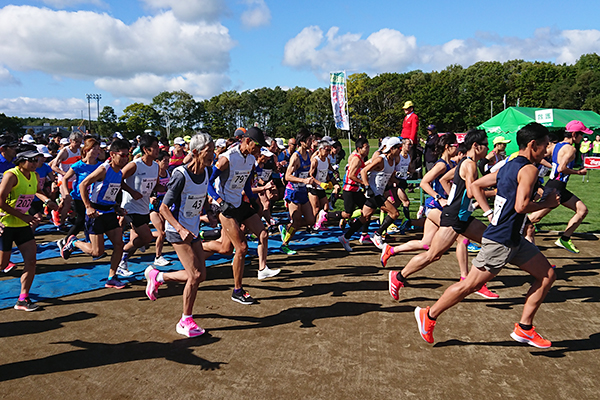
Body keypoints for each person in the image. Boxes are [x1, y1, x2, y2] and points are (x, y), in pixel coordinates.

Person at [414, 122, 559, 348]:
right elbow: (521, 207)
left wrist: (498, 201)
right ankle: (429, 315)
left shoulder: (509, 166)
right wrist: (546, 203)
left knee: (547, 275)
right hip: (501, 239)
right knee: (468, 286)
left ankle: (525, 328)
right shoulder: (528, 169)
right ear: (532, 145)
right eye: (545, 145)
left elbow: (476, 187)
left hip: (513, 239)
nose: (548, 149)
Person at [388, 129, 498, 300]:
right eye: (486, 145)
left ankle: (477, 282)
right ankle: (398, 277)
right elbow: (471, 191)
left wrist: (453, 198)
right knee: (433, 254)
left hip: (462, 216)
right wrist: (489, 208)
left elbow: (445, 180)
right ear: (476, 146)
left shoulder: (464, 162)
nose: (488, 148)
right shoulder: (468, 164)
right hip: (454, 218)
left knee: (492, 241)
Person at [144, 133, 215, 337]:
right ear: (195, 153)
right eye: (208, 151)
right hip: (177, 231)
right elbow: (164, 208)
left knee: (201, 274)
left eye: (212, 151)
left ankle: (158, 276)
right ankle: (185, 320)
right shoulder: (180, 175)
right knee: (195, 275)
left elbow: (201, 199)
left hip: (192, 229)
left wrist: (208, 212)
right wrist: (181, 229)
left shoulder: (207, 172)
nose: (212, 155)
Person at [207, 127, 280, 304]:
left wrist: (255, 200)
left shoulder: (250, 160)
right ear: (247, 141)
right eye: (257, 146)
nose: (258, 151)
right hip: (224, 206)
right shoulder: (227, 158)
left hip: (239, 203)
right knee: (240, 248)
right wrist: (218, 200)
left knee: (260, 234)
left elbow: (246, 182)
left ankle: (262, 268)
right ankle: (237, 291)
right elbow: (208, 183)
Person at [59, 139, 131, 289]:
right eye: (122, 155)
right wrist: (88, 207)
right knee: (97, 252)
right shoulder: (104, 169)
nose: (126, 159)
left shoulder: (119, 172)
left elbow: (110, 193)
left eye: (127, 155)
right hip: (96, 213)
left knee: (119, 244)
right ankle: (74, 242)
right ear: (112, 154)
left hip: (110, 211)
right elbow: (83, 184)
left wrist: (117, 207)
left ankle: (112, 277)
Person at [1, 146, 56, 311]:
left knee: (31, 260)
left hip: (22, 225)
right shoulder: (11, 175)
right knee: (3, 264)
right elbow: (1, 201)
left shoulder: (35, 175)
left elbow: (37, 192)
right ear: (21, 160)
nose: (35, 163)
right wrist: (23, 216)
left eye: (36, 159)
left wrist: (47, 201)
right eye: (31, 160)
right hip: (6, 224)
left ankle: (23, 298)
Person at [527, 120, 590, 253]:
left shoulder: (555, 146)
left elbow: (540, 157)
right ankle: (509, 234)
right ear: (574, 134)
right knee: (534, 218)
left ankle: (565, 238)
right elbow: (562, 168)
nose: (583, 138)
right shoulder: (571, 149)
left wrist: (551, 166)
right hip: (555, 188)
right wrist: (579, 172)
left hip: (559, 187)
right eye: (581, 134)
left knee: (582, 210)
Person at [338, 138, 401, 251]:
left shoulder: (393, 161)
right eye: (398, 148)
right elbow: (363, 171)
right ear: (391, 149)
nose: (400, 150)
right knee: (394, 213)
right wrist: (367, 186)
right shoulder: (381, 160)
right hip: (374, 193)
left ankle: (345, 237)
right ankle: (377, 234)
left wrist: (398, 181)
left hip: (379, 192)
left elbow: (388, 177)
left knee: (365, 217)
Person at [117, 134, 163, 276]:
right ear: (145, 149)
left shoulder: (155, 166)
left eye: (158, 147)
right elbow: (117, 179)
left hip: (144, 208)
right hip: (130, 207)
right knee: (146, 237)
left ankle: (121, 261)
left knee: (140, 241)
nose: (157, 150)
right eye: (154, 147)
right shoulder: (135, 165)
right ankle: (121, 257)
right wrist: (131, 191)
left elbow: (155, 186)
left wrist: (169, 188)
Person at [279, 129, 317, 254]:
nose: (311, 142)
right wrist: (303, 180)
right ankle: (285, 244)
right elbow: (287, 176)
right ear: (302, 142)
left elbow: (309, 171)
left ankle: (286, 228)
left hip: (303, 192)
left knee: (311, 220)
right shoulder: (296, 157)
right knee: (297, 221)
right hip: (293, 192)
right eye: (309, 140)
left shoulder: (309, 154)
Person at [58, 137, 101, 245]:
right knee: (81, 221)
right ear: (86, 150)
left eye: (98, 149)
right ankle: (65, 241)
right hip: (79, 197)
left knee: (91, 220)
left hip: (93, 197)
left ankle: (90, 242)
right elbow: (65, 178)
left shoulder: (100, 165)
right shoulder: (79, 165)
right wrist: (67, 193)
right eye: (94, 149)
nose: (97, 151)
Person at [50, 132, 83, 230]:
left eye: (80, 142)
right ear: (70, 141)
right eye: (76, 142)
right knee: (68, 201)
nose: (78, 144)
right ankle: (62, 223)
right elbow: (53, 166)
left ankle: (57, 213)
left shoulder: (80, 150)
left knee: (68, 202)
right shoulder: (65, 151)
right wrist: (64, 173)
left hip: (76, 180)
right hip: (64, 180)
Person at [149, 150, 171, 267]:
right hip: (154, 206)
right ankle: (158, 256)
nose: (167, 163)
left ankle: (143, 236)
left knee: (164, 231)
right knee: (162, 232)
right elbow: (146, 189)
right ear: (157, 161)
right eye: (165, 161)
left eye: (168, 161)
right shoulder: (154, 174)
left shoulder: (168, 173)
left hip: (164, 205)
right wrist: (150, 198)